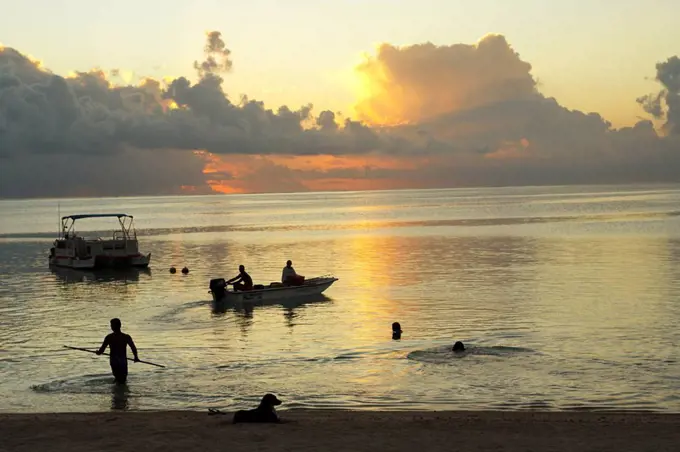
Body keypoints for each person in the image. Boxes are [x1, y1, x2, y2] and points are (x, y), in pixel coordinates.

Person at [96, 318, 139, 384]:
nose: (111, 327)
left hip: (114, 361)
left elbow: (101, 351)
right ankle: (121, 392)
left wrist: (98, 352)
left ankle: (117, 392)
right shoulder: (126, 337)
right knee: (123, 379)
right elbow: (133, 348)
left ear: (113, 326)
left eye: (111, 325)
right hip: (122, 361)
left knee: (118, 378)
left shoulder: (109, 337)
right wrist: (136, 357)